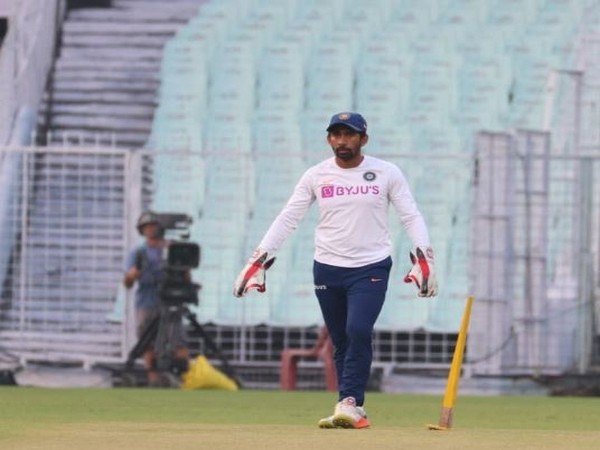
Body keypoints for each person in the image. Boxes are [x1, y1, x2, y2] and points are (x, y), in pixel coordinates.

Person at [233, 112, 438, 428]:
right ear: (329, 139)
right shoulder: (316, 175)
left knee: (358, 330)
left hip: (370, 265)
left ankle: (350, 402)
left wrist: (425, 256)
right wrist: (258, 259)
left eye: (349, 135)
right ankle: (349, 404)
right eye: (336, 135)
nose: (342, 141)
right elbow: (289, 217)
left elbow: (410, 216)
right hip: (327, 267)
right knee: (341, 340)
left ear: (363, 139)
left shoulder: (386, 172)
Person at [123, 211, 188, 386]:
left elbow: (186, 276)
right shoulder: (138, 252)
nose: (151, 230)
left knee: (177, 339)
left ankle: (180, 376)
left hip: (171, 302)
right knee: (147, 341)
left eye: (154, 226)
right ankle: (154, 379)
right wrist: (133, 274)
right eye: (147, 227)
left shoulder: (172, 248)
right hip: (147, 301)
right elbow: (127, 281)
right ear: (142, 230)